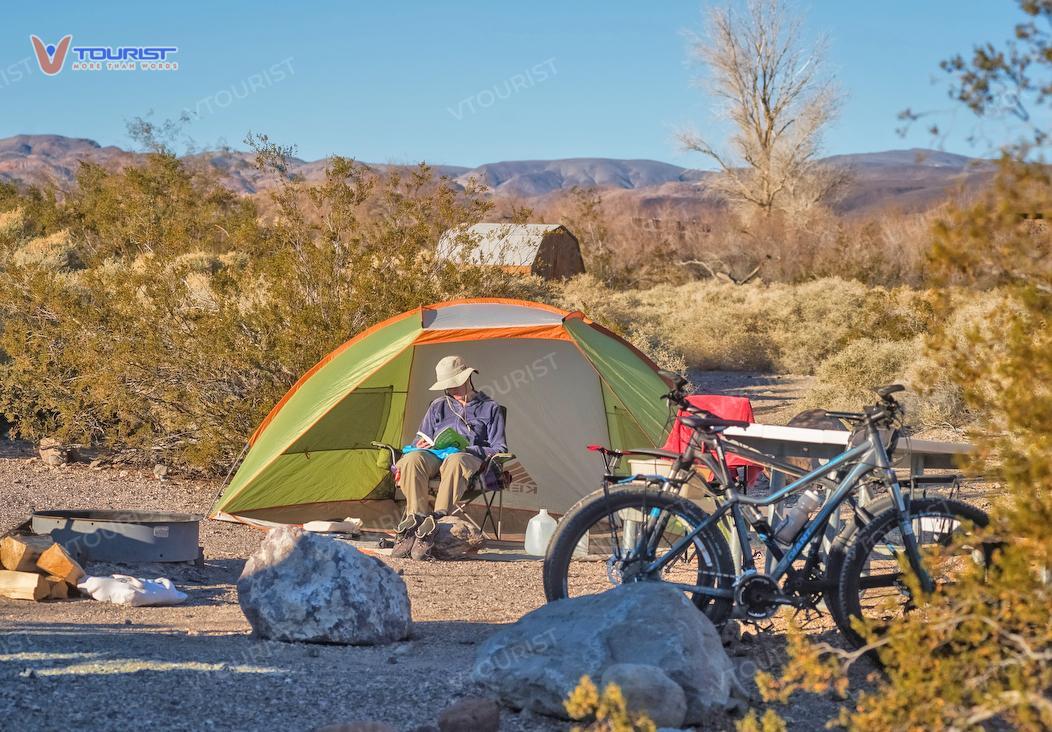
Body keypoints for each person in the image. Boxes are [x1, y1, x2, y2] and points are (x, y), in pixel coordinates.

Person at [392, 355, 507, 558]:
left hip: (466, 457)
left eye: (454, 384)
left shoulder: (490, 408)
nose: (450, 390)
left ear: (466, 379)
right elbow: (421, 437)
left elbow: (499, 447)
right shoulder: (438, 405)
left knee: (456, 460)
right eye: (447, 386)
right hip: (436, 455)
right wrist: (418, 445)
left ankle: (437, 522)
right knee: (412, 459)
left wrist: (470, 449)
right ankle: (415, 521)